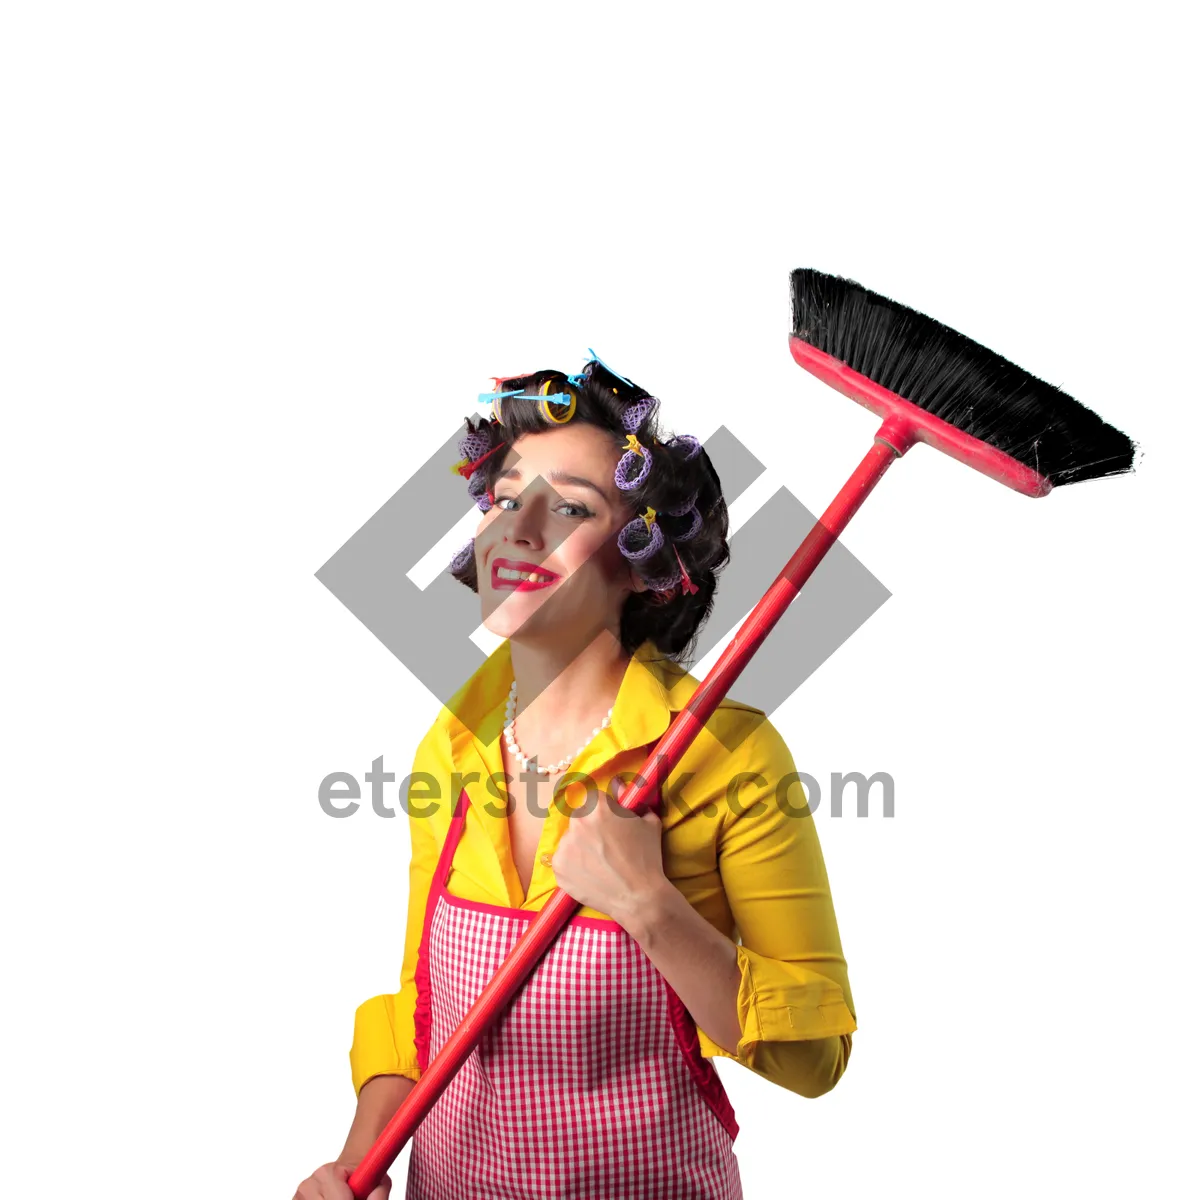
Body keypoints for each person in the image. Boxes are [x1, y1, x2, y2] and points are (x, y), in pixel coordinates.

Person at [294, 355, 857, 1199]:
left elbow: (817, 1056)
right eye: (506, 495)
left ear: (640, 562)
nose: (519, 528)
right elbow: (422, 1013)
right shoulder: (452, 747)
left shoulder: (728, 758)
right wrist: (354, 1164)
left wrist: (649, 906)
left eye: (570, 507)